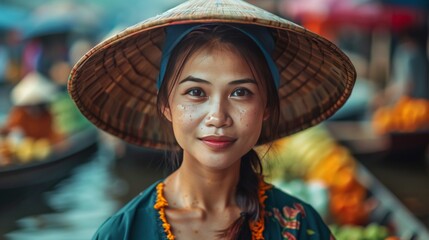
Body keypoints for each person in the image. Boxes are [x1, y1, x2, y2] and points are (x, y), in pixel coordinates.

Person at [68, 0, 356, 239]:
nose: (218, 117)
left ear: (266, 106)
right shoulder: (123, 233)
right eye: (196, 92)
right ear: (166, 105)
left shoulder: (303, 227)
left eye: (241, 92)